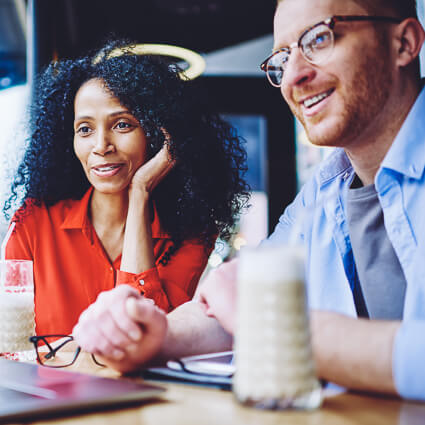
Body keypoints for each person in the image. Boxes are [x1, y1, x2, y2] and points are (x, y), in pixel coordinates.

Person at [72, 0, 425, 401]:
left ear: (404, 42)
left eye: (320, 39)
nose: (293, 75)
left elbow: (251, 313)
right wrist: (154, 335)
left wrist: (271, 324)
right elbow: (227, 307)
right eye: (282, 57)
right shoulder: (324, 193)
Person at [3, 40, 249, 338]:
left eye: (122, 125)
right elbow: (10, 345)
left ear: (157, 136)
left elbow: (143, 335)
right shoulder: (33, 224)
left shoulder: (192, 235)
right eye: (85, 129)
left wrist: (140, 192)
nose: (101, 146)